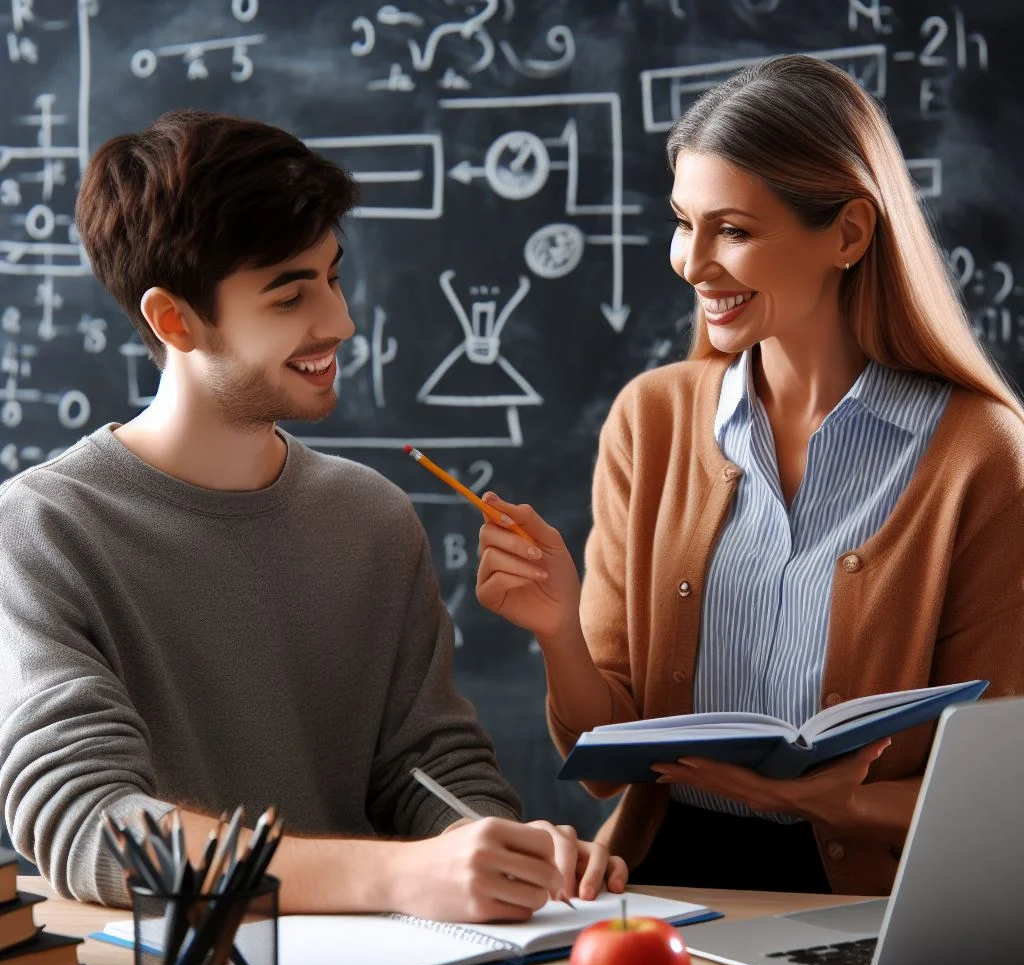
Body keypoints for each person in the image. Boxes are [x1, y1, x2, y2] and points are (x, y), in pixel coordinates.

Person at [0, 109, 627, 919]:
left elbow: (429, 768)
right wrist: (396, 878)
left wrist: (497, 848)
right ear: (173, 319)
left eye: (333, 276)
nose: (340, 322)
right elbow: (92, 827)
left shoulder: (371, 518)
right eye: (291, 294)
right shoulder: (42, 527)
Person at [476, 55, 1024, 896]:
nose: (692, 264)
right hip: (661, 887)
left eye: (732, 230)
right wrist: (556, 628)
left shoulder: (982, 455)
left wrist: (851, 807)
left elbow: (999, 789)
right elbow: (608, 755)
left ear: (848, 233)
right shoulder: (651, 420)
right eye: (681, 222)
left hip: (871, 901)